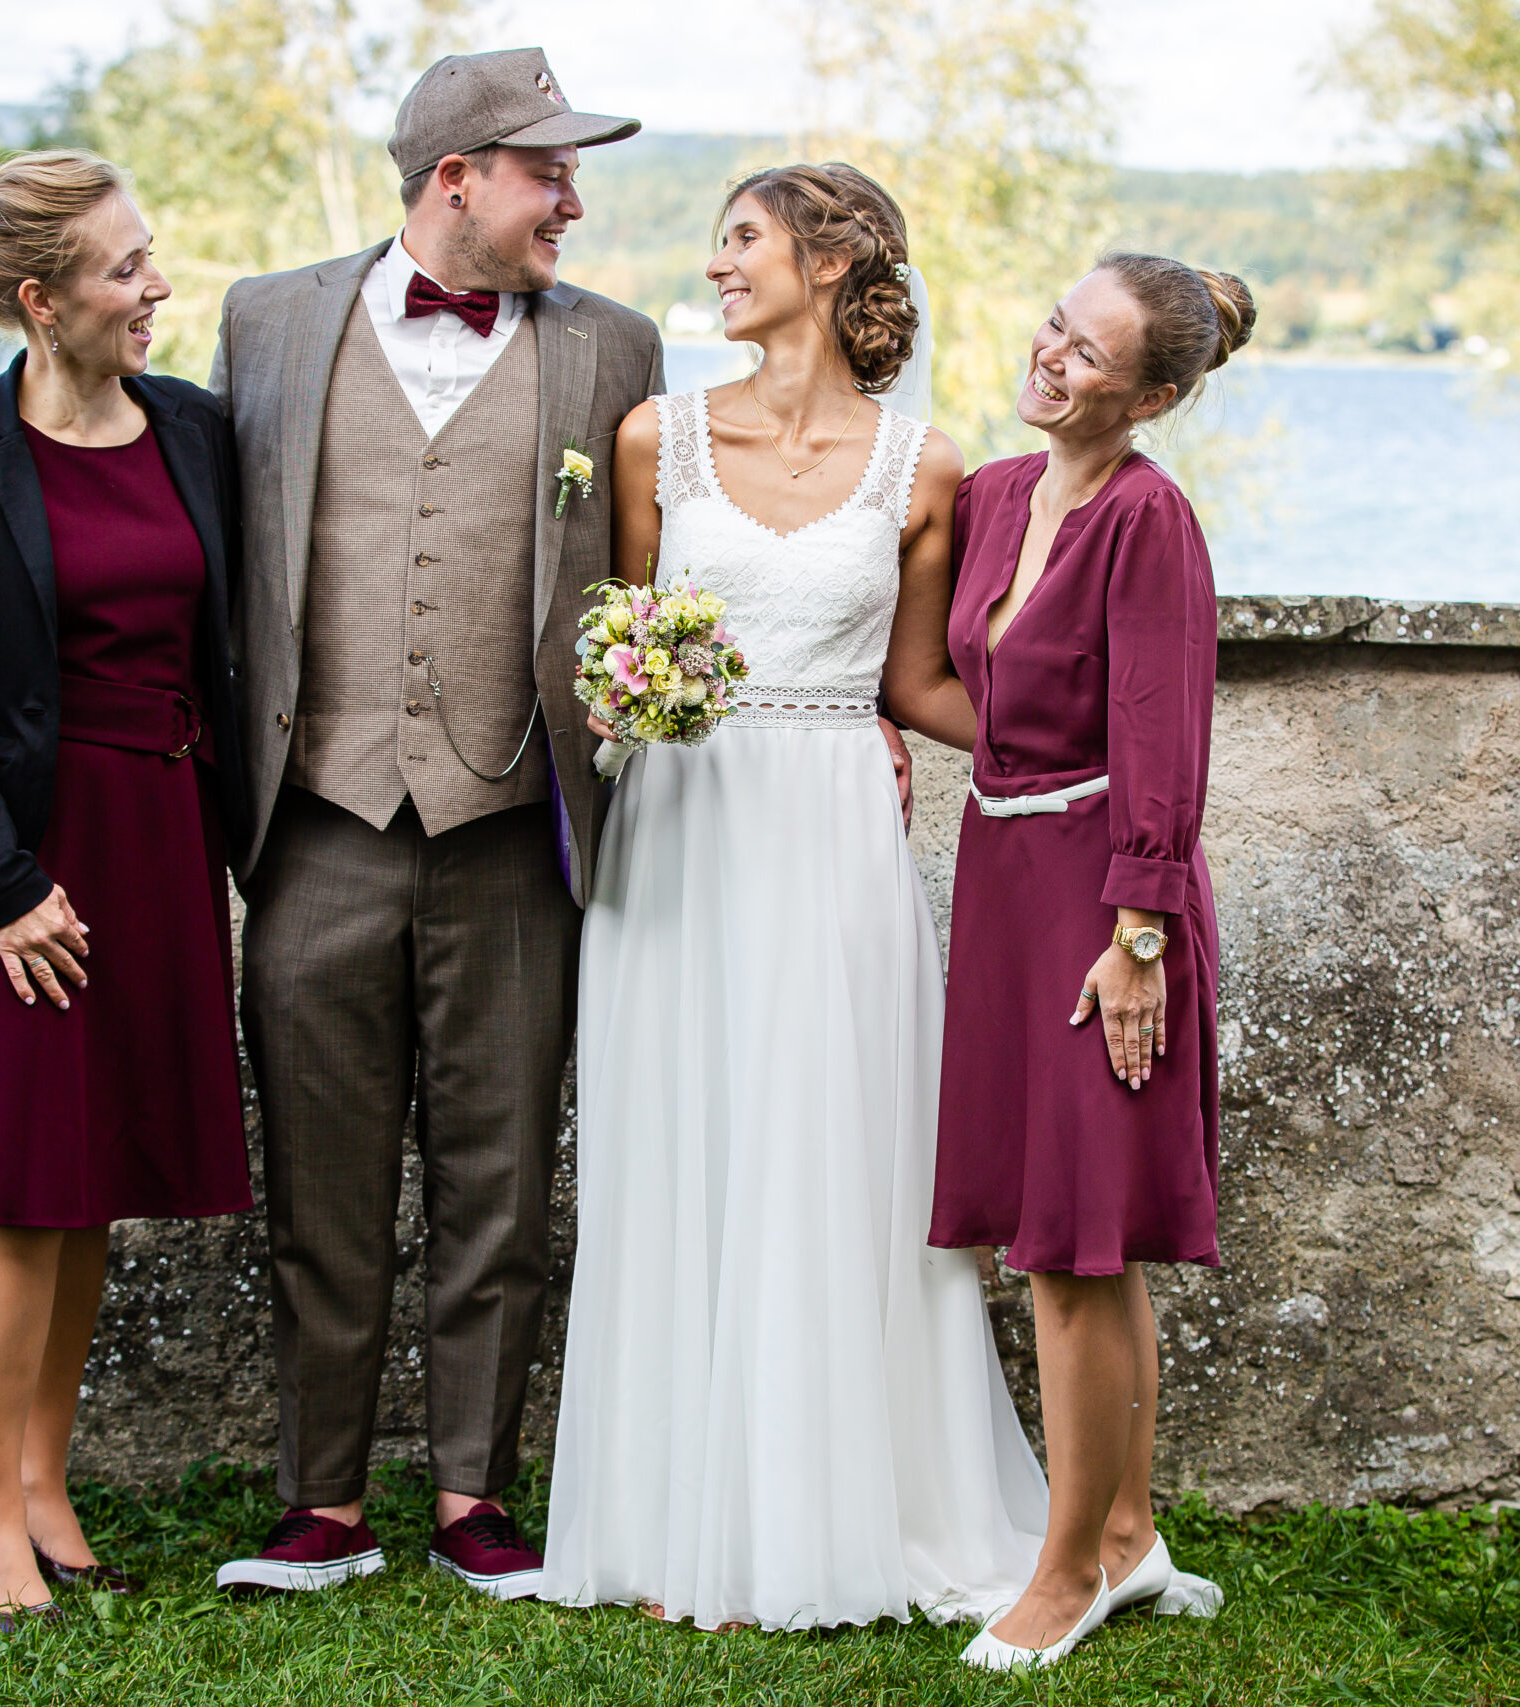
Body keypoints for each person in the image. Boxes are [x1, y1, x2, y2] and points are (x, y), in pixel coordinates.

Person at [538, 163, 1048, 1633]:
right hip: (684, 826)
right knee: (682, 1144)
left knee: (834, 1155)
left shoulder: (923, 468)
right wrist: (633, 697)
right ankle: (669, 1514)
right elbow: (621, 636)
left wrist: (1067, 754)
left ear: (831, 263)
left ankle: (846, 1510)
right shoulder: (654, 442)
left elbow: (921, 684)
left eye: (743, 240)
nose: (717, 268)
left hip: (833, 835)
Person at [206, 49, 660, 1599]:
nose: (574, 202)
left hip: (516, 820)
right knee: (320, 1179)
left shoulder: (616, 346)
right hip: (316, 812)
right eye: (550, 174)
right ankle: (321, 1501)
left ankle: (476, 1492)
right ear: (455, 179)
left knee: (502, 1173)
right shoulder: (266, 319)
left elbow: (661, 569)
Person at [0, 149, 252, 1632]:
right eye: (125, 269)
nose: (156, 286)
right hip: (14, 860)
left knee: (90, 1197)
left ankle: (44, 1480)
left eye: (150, 255)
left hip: (156, 841)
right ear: (41, 297)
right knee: (21, 1199)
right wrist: (7, 884)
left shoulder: (197, 432)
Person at [885, 254, 1250, 1669]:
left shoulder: (1150, 520)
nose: (1052, 358)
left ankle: (1062, 1574)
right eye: (1052, 325)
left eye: (1090, 354)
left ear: (1152, 394)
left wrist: (1137, 940)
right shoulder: (988, 500)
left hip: (1109, 909)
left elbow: (1166, 738)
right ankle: (1131, 1537)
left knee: (1077, 1253)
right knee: (1066, 1237)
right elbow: (934, 689)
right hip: (1004, 877)